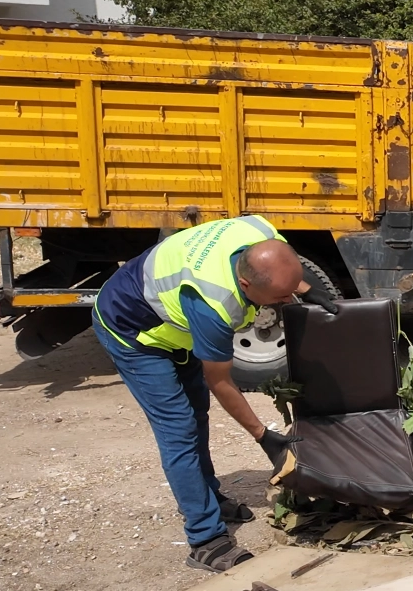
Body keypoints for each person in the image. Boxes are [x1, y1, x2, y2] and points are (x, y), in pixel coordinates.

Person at [91, 215, 339, 572]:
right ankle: (205, 540)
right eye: (277, 297)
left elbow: (278, 264)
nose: (284, 301)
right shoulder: (214, 302)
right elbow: (221, 382)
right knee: (179, 429)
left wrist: (301, 287)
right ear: (244, 283)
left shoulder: (261, 232)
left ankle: (207, 496)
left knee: (197, 413)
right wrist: (263, 436)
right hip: (133, 331)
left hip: (172, 317)